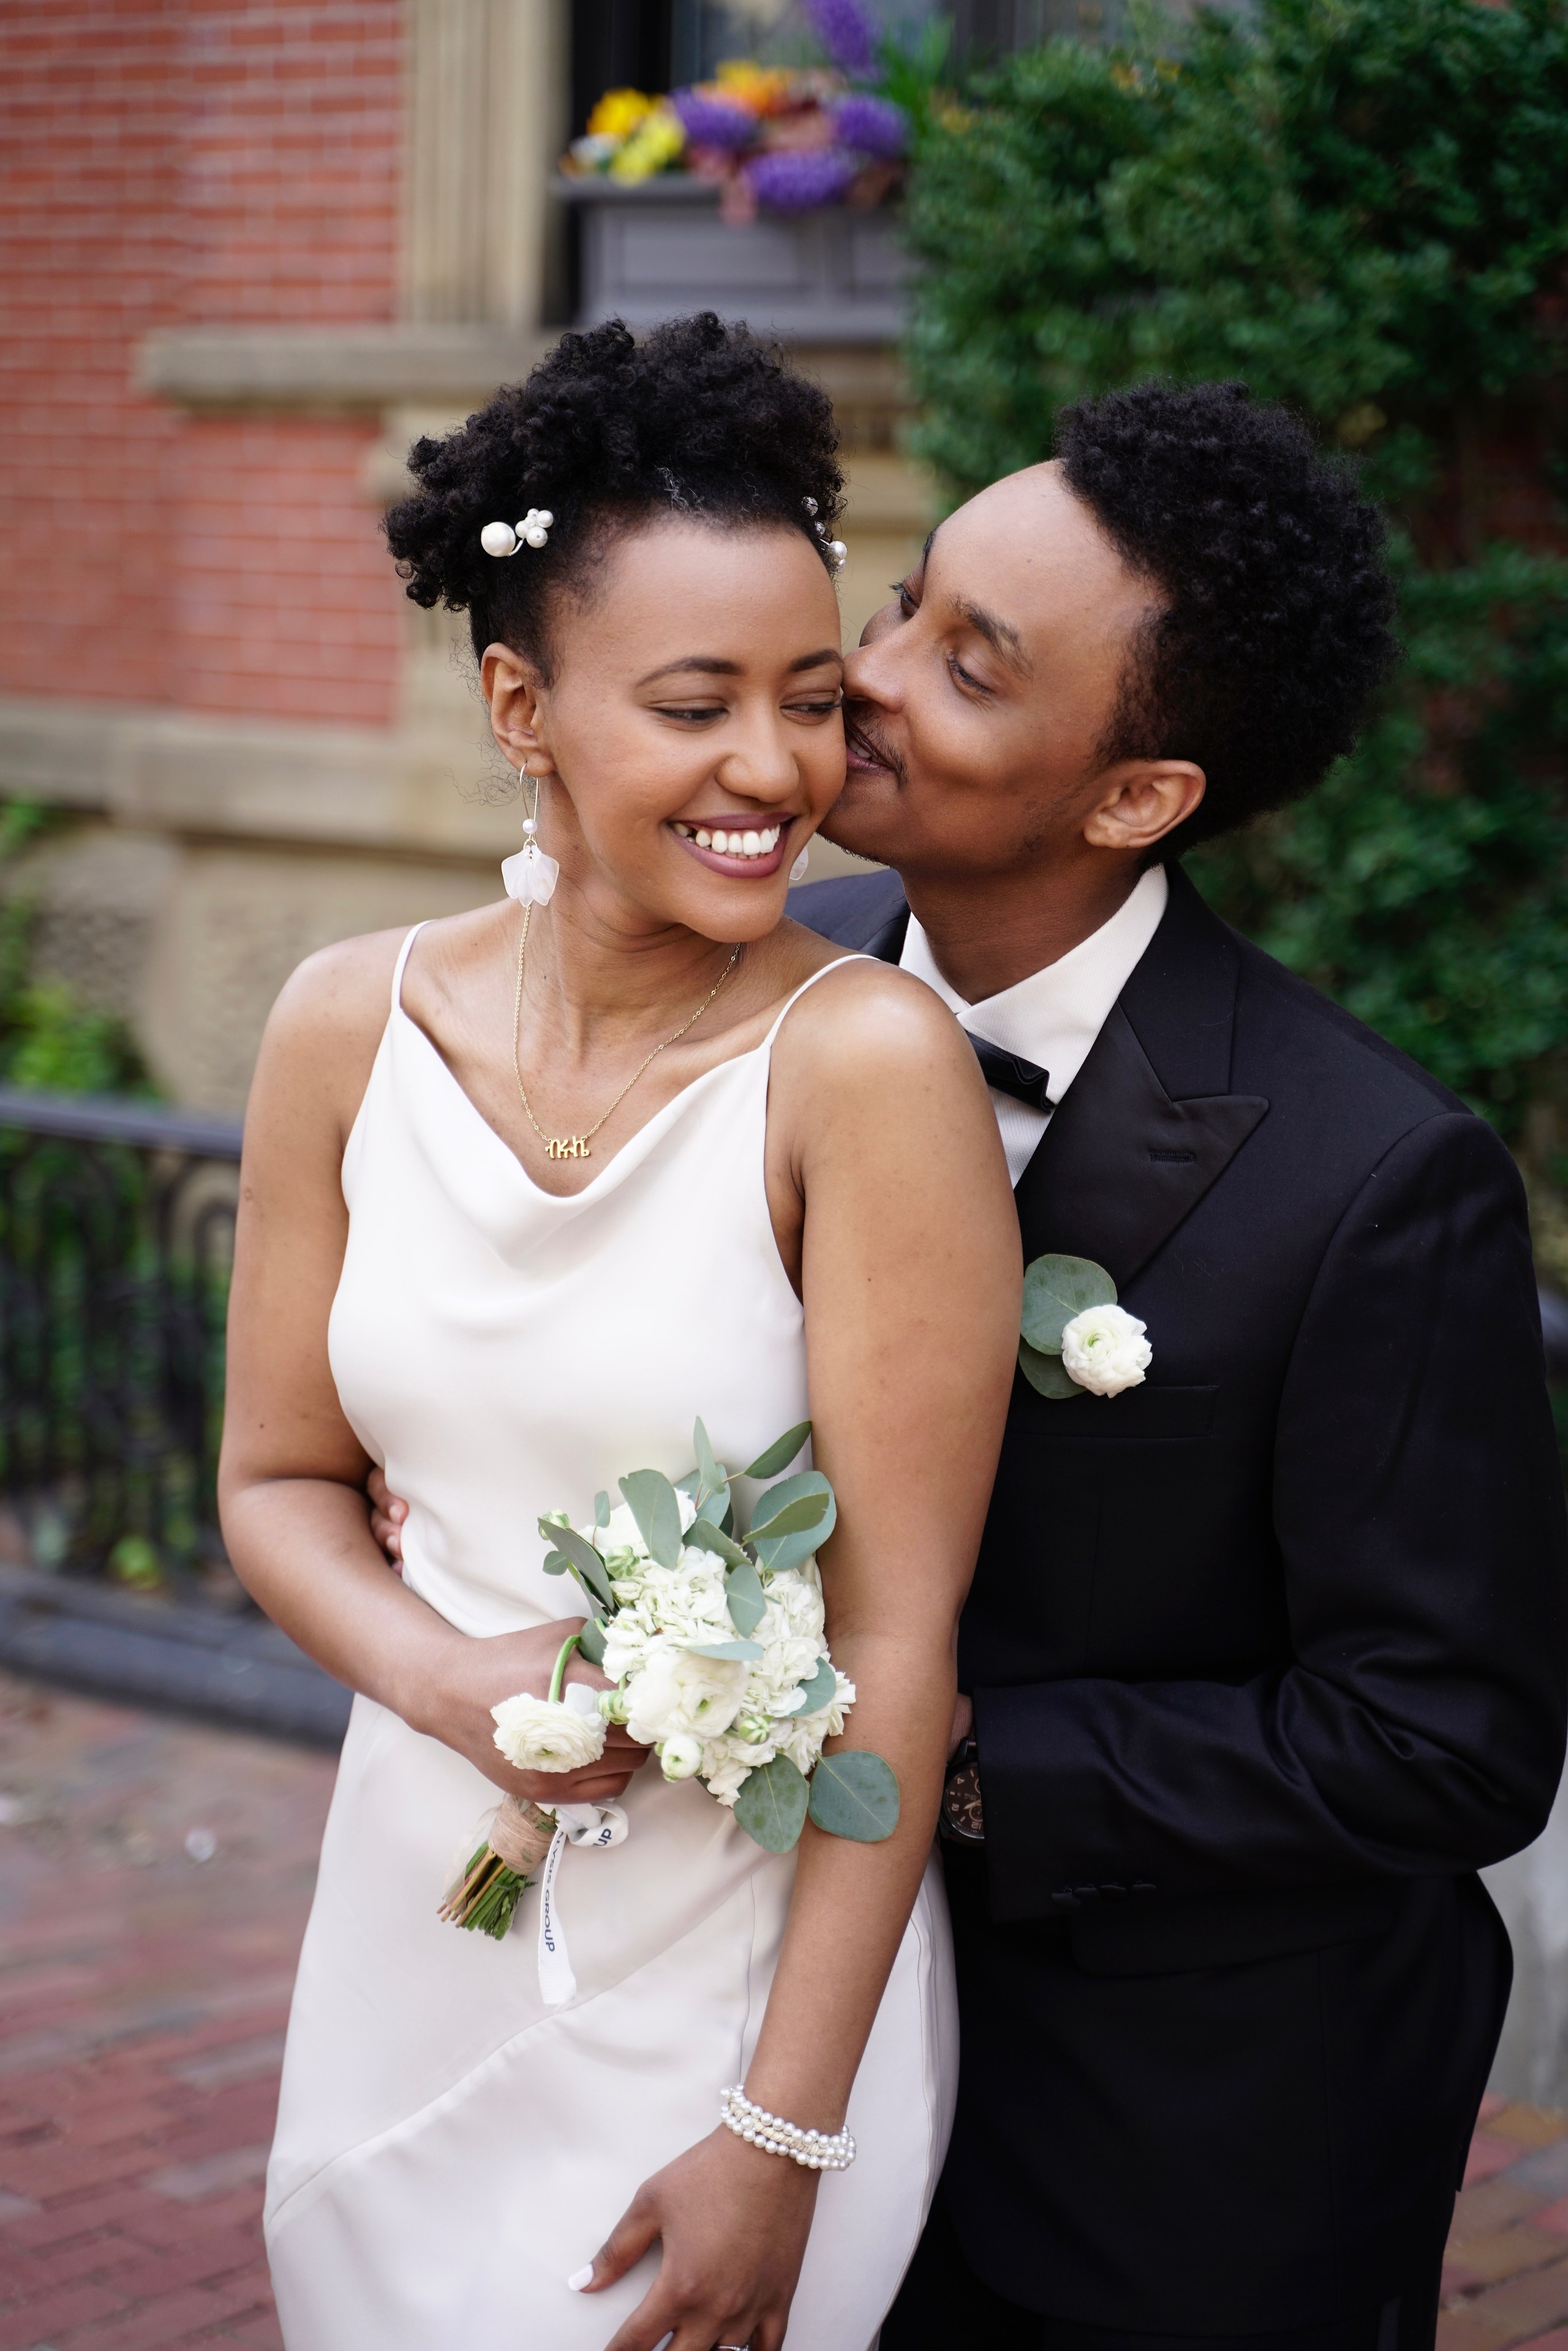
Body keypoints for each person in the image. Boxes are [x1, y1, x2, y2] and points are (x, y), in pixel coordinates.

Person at [217, 314, 1020, 2351]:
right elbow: (277, 1483)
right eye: (695, 704)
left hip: (737, 1978)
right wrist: (447, 1678)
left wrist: (782, 2129)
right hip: (416, 1910)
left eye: (813, 700)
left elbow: (899, 1640)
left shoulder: (867, 1065)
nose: (777, 769)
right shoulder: (343, 1025)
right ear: (524, 704)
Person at [788, 382, 1568, 2350]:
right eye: (902, 602)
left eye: (967, 664)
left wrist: (946, 1766)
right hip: (756, 2039)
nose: (867, 675)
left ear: (1135, 799)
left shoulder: (1379, 1179)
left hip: (1166, 2138)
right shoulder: (750, 977)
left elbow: (1442, 1740)